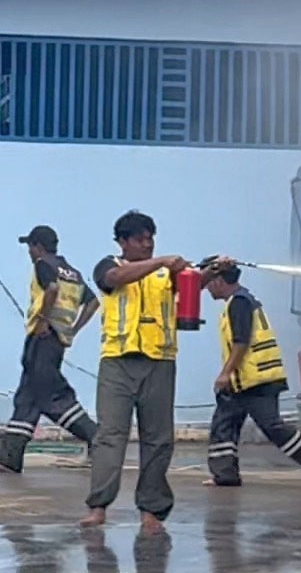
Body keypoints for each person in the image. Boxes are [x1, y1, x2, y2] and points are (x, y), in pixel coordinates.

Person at [80, 210, 227, 535]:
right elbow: (113, 281)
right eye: (140, 240)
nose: (147, 245)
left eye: (151, 239)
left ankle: (152, 511)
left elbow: (191, 285)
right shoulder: (110, 266)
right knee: (110, 436)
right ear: (122, 242)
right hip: (117, 361)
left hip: (160, 361)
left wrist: (212, 270)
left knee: (158, 438)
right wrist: (162, 260)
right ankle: (98, 506)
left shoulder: (166, 274)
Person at [202, 260, 301, 488]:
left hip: (256, 380)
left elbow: (240, 342)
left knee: (272, 427)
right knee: (223, 424)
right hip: (243, 381)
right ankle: (225, 475)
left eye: (208, 284)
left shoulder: (240, 303)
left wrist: (225, 373)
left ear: (218, 281)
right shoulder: (241, 300)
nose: (206, 289)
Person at [0, 225, 99, 473]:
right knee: (28, 397)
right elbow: (93, 302)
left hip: (43, 337)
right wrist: (73, 330)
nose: (30, 253)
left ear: (38, 246)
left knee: (54, 396)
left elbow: (52, 289)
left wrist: (43, 319)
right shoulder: (73, 273)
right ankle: (9, 457)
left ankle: (99, 439)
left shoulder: (43, 264)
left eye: (30, 247)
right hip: (56, 341)